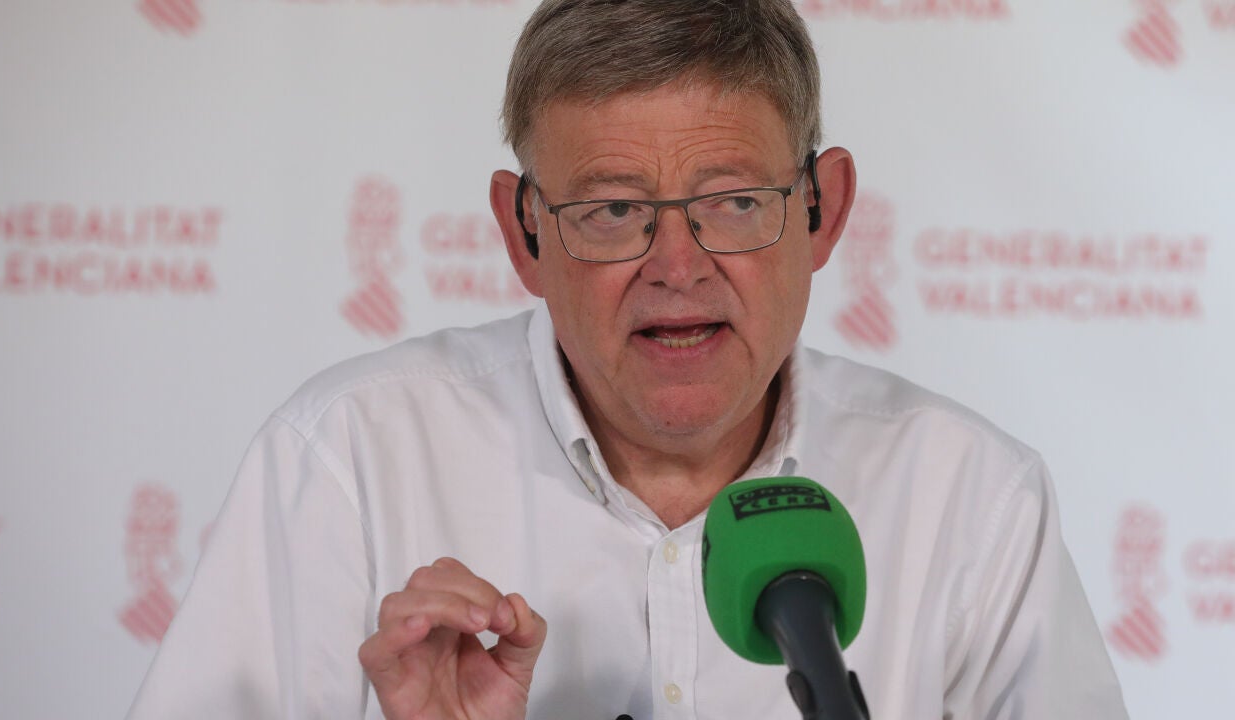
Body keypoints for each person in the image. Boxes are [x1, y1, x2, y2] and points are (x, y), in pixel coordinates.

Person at [127, 1, 1129, 718]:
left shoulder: (971, 495)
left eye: (733, 202)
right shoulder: (347, 460)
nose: (677, 267)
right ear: (523, 234)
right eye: (612, 210)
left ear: (822, 211)